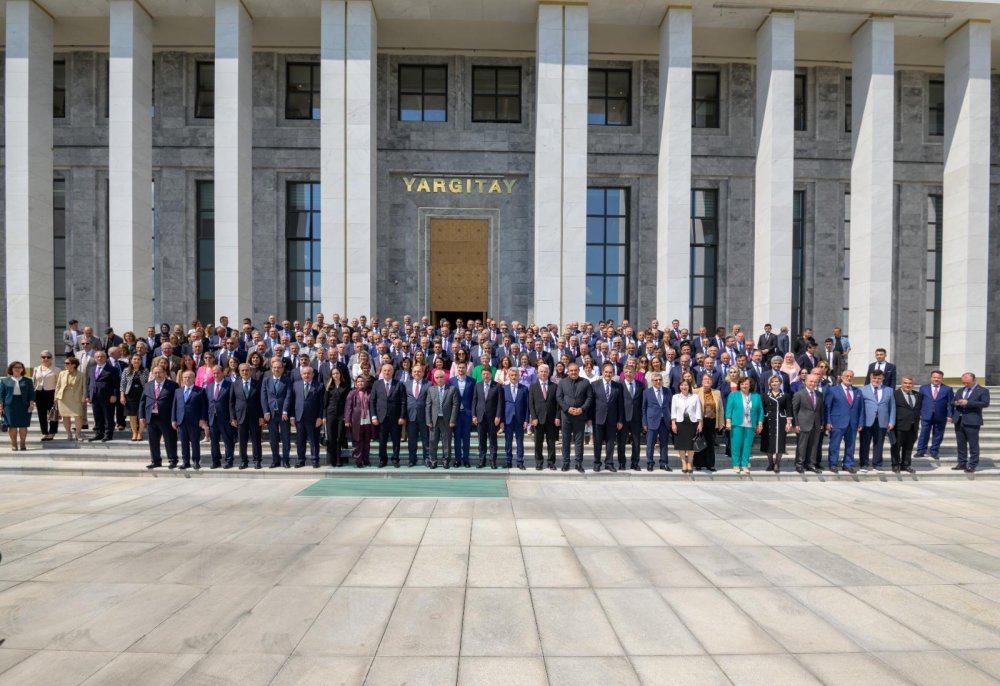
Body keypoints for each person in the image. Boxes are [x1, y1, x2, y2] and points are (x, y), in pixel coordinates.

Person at [139, 365, 179, 469]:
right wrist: (142, 416)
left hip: (166, 418)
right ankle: (155, 461)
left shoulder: (173, 385)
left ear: (165, 373)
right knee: (153, 441)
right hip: (151, 417)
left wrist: (175, 418)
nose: (158, 375)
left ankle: (172, 460)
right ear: (152, 374)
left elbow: (176, 403)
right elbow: (143, 401)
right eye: (155, 373)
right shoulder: (148, 385)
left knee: (170, 440)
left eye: (160, 372)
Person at [825, 370, 863, 474]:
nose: (849, 378)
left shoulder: (857, 391)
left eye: (851, 376)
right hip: (836, 422)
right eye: (847, 376)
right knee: (835, 445)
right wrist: (828, 421)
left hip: (853, 423)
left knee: (851, 445)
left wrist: (860, 422)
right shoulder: (833, 390)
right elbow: (827, 407)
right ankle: (833, 464)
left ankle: (848, 465)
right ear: (841, 377)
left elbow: (861, 408)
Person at [557, 363, 593, 473]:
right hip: (566, 416)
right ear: (568, 371)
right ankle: (565, 463)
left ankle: (578, 463)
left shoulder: (585, 382)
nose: (573, 372)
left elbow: (589, 397)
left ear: (578, 371)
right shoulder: (562, 382)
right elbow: (559, 397)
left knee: (579, 441)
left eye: (575, 370)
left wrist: (582, 409)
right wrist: (567, 408)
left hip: (580, 416)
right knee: (566, 440)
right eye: (571, 370)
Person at [858, 369, 896, 472]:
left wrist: (891, 421)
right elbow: (860, 407)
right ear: (870, 378)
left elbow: (892, 407)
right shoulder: (862, 390)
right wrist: (860, 422)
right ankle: (864, 464)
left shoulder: (889, 390)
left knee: (879, 443)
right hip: (867, 422)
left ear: (883, 379)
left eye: (879, 378)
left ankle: (877, 463)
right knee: (864, 444)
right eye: (874, 378)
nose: (876, 380)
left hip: (882, 421)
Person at [952, 372, 990, 474]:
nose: (965, 384)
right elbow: (952, 401)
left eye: (967, 382)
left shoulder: (983, 390)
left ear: (974, 380)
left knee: (973, 444)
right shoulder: (960, 390)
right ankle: (962, 463)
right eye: (963, 382)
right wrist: (956, 403)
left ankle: (972, 465)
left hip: (972, 421)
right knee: (961, 444)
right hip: (959, 420)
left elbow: (985, 403)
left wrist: (968, 403)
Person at [371, 362, 407, 467]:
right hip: (381, 418)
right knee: (382, 441)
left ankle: (395, 459)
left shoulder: (399, 384)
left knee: (396, 440)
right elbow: (372, 401)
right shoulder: (376, 384)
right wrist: (373, 416)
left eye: (389, 370)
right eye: (385, 370)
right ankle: (383, 459)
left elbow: (403, 402)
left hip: (395, 418)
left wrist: (402, 416)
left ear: (393, 372)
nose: (387, 372)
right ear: (382, 372)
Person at [288, 365, 324, 468]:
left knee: (313, 440)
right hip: (299, 417)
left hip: (313, 418)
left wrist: (320, 417)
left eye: (308, 373)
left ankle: (315, 460)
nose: (306, 375)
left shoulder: (319, 386)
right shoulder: (295, 385)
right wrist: (292, 416)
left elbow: (321, 403)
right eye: (304, 373)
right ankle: (301, 460)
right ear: (301, 375)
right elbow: (292, 402)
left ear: (313, 374)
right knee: (300, 441)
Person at [230, 363, 264, 469]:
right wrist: (233, 418)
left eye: (247, 370)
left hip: (255, 416)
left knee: (256, 440)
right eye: (242, 370)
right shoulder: (235, 384)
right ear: (239, 372)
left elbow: (261, 401)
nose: (245, 372)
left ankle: (257, 460)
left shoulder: (258, 383)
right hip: (240, 417)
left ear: (251, 371)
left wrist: (261, 416)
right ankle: (243, 461)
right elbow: (231, 402)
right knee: (242, 441)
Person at [724, 376, 761, 474]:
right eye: (742, 384)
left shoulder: (756, 396)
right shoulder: (733, 394)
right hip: (737, 423)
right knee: (736, 445)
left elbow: (760, 410)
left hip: (750, 424)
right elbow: (729, 408)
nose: (744, 386)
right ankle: (736, 464)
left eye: (746, 384)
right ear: (739, 385)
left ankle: (744, 464)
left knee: (747, 445)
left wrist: (760, 423)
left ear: (750, 385)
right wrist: (728, 421)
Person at [172, 370, 208, 469]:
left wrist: (202, 419)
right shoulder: (178, 391)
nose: (187, 379)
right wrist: (173, 419)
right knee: (184, 442)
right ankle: (186, 461)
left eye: (189, 377)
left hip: (194, 421)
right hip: (181, 420)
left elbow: (203, 406)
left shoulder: (200, 391)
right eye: (185, 377)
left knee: (195, 442)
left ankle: (196, 461)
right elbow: (175, 406)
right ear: (182, 379)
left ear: (194, 379)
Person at [591, 362, 623, 472]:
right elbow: (591, 404)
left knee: (610, 443)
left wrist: (620, 420)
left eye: (610, 372)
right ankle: (597, 463)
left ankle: (609, 463)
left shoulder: (618, 386)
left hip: (612, 420)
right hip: (598, 418)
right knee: (597, 443)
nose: (608, 374)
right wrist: (589, 418)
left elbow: (620, 405)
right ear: (602, 372)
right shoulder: (594, 385)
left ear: (613, 373)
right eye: (606, 372)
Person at [261, 357, 292, 468]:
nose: (277, 369)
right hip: (271, 414)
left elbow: (288, 396)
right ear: (271, 369)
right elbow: (263, 397)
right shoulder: (266, 380)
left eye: (279, 367)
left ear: (282, 369)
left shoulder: (287, 380)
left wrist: (285, 411)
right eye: (274, 367)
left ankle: (286, 460)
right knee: (273, 439)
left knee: (286, 438)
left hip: (283, 414)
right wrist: (266, 412)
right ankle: (275, 460)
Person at [528, 363, 560, 470]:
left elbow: (558, 404)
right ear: (538, 373)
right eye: (541, 371)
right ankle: (539, 462)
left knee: (551, 443)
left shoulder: (554, 386)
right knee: (538, 443)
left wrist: (557, 417)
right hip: (538, 419)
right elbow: (531, 404)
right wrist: (534, 417)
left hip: (551, 419)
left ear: (548, 373)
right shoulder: (533, 387)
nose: (543, 373)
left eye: (545, 372)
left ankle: (551, 463)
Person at [792, 373, 825, 474]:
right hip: (803, 424)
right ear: (805, 382)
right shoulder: (799, 394)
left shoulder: (819, 394)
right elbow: (794, 410)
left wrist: (821, 423)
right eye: (811, 381)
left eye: (815, 382)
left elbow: (821, 410)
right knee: (802, 446)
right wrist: (796, 424)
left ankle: (811, 464)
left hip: (816, 424)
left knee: (814, 446)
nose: (813, 383)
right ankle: (799, 464)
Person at [916, 370, 953, 459]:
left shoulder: (948, 389)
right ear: (931, 378)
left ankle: (934, 451)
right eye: (934, 377)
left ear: (942, 378)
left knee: (938, 434)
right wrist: (918, 413)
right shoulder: (923, 388)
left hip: (941, 415)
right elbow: (919, 402)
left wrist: (949, 415)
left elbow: (950, 403)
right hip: (926, 415)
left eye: (938, 378)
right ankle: (921, 451)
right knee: (924, 433)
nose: (936, 379)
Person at [426, 368, 459, 469]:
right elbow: (428, 405)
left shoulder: (452, 389)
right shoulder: (431, 389)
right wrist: (428, 420)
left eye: (441, 377)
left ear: (445, 378)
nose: (439, 379)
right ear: (434, 379)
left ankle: (446, 460)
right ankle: (433, 461)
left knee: (447, 441)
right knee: (432, 441)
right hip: (434, 421)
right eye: (437, 377)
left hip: (447, 420)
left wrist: (452, 420)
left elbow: (455, 405)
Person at [472, 366, 504, 468]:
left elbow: (500, 402)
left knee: (493, 440)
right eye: (484, 374)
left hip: (492, 418)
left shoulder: (497, 386)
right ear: (481, 375)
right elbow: (474, 401)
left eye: (487, 374)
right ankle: (482, 460)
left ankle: (493, 461)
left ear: (491, 375)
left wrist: (498, 416)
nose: (485, 376)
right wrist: (473, 415)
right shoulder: (478, 385)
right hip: (480, 417)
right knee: (481, 440)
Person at [205, 365, 236, 469]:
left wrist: (232, 417)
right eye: (214, 373)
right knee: (214, 441)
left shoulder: (230, 385)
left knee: (228, 440)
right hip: (212, 418)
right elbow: (207, 403)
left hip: (225, 418)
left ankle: (229, 460)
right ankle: (216, 460)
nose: (216, 375)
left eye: (218, 373)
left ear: (222, 373)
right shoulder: (209, 386)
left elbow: (232, 403)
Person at [86, 351, 120, 442]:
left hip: (107, 397)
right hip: (94, 396)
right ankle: (99, 434)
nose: (100, 358)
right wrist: (88, 395)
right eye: (97, 357)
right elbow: (89, 383)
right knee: (97, 416)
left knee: (108, 416)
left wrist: (114, 395)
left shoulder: (112, 369)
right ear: (95, 358)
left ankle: (108, 434)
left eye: (102, 356)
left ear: (105, 358)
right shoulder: (92, 369)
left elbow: (116, 384)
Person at [642, 371, 672, 472]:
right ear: (652, 381)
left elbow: (670, 406)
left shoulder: (668, 391)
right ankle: (650, 463)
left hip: (665, 421)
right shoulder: (647, 392)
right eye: (656, 380)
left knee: (664, 444)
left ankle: (664, 463)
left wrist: (671, 420)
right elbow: (643, 408)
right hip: (651, 421)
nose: (658, 382)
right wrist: (644, 422)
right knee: (650, 444)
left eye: (660, 380)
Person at [1, 361, 35, 451]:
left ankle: (23, 444)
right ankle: (14, 444)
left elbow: (31, 393)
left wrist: (31, 404)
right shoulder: (5, 380)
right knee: (12, 425)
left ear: (22, 369)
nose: (17, 369)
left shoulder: (27, 380)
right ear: (11, 369)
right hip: (10, 405)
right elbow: (1, 394)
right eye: (15, 367)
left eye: (19, 367)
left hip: (24, 404)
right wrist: (1, 406)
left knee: (23, 425)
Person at [761, 374, 792, 473]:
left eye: (776, 381)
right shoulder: (765, 395)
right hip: (767, 422)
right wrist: (760, 422)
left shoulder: (785, 395)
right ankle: (770, 463)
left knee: (780, 443)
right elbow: (761, 409)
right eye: (772, 382)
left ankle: (777, 464)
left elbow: (789, 409)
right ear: (769, 384)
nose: (774, 383)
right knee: (768, 443)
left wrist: (788, 423)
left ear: (780, 383)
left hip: (780, 421)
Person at [673, 378, 705, 474]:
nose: (684, 387)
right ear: (679, 386)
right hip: (680, 422)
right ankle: (683, 463)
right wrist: (673, 423)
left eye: (686, 385)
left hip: (692, 422)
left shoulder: (695, 397)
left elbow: (698, 411)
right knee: (681, 445)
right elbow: (673, 411)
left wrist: (700, 423)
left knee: (691, 445)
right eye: (682, 385)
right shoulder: (675, 397)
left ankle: (690, 463)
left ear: (689, 387)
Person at [618, 364, 645, 471]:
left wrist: (643, 420)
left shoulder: (640, 385)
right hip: (623, 419)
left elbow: (642, 403)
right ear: (624, 373)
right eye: (626, 372)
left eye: (630, 372)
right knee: (621, 442)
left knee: (636, 442)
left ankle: (635, 463)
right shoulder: (619, 385)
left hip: (636, 419)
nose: (628, 374)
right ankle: (622, 463)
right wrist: (619, 420)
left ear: (634, 374)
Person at [892, 376, 921, 474]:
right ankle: (895, 465)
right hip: (899, 425)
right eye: (905, 383)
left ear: (913, 385)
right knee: (896, 446)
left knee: (909, 447)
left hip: (913, 426)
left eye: (910, 383)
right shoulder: (895, 394)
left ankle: (906, 465)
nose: (908, 385)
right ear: (901, 384)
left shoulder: (918, 395)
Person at [448, 361, 475, 467]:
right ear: (457, 368)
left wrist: (473, 414)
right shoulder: (451, 381)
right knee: (457, 437)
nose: (461, 369)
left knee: (466, 437)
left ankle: (466, 459)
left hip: (467, 413)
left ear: (466, 368)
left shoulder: (472, 381)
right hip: (456, 414)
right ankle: (458, 459)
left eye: (463, 367)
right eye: (459, 368)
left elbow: (474, 399)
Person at [501, 367, 529, 469]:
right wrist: (502, 421)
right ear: (509, 376)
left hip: (520, 419)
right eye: (512, 375)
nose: (514, 377)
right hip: (507, 419)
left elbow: (527, 406)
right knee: (508, 441)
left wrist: (526, 420)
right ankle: (508, 460)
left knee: (519, 441)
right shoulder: (504, 388)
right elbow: (501, 406)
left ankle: (520, 461)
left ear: (519, 376)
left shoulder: (524, 389)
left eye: (515, 375)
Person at [403, 364, 430, 467]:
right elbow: (404, 401)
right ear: (412, 373)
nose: (417, 373)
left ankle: (427, 459)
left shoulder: (429, 384)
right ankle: (412, 459)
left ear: (423, 373)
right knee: (412, 440)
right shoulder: (406, 384)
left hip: (424, 417)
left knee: (425, 440)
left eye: (419, 371)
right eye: (415, 371)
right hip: (410, 416)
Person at [344, 375, 374, 468]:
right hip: (356, 421)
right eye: (358, 381)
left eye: (362, 381)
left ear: (366, 383)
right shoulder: (352, 393)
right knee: (357, 442)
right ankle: (358, 461)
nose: (360, 383)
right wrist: (347, 420)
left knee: (366, 442)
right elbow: (348, 407)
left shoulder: (369, 392)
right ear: (356, 383)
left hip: (368, 420)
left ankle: (366, 460)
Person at [695, 373, 721, 472]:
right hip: (700, 421)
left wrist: (721, 422)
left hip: (712, 421)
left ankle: (710, 464)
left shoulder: (717, 392)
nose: (707, 381)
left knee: (710, 443)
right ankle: (698, 463)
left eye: (709, 379)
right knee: (700, 442)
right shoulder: (696, 391)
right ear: (701, 381)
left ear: (712, 382)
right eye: (705, 379)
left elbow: (721, 409)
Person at [323, 366, 350, 467]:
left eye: (337, 373)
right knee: (331, 438)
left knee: (339, 438)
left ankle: (339, 459)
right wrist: (324, 416)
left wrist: (347, 416)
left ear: (340, 374)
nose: (335, 375)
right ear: (331, 376)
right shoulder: (328, 387)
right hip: (330, 414)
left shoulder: (346, 386)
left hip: (342, 415)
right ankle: (332, 459)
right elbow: (325, 403)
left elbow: (348, 403)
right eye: (333, 374)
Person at [55, 357, 86, 441]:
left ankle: (78, 434)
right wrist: (56, 397)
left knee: (78, 416)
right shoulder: (62, 373)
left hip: (76, 398)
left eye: (67, 363)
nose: (65, 365)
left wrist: (84, 397)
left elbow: (84, 387)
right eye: (65, 363)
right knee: (65, 417)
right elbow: (58, 386)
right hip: (63, 398)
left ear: (74, 365)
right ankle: (69, 434)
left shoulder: (81, 374)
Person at [120, 354, 149, 442]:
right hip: (130, 395)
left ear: (141, 361)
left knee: (141, 415)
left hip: (142, 395)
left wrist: (138, 372)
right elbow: (123, 383)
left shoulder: (145, 370)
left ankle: (140, 433)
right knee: (132, 415)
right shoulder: (126, 370)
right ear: (131, 360)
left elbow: (146, 382)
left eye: (138, 359)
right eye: (134, 359)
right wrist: (122, 395)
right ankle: (134, 432)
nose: (136, 361)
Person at [32, 351, 59, 441]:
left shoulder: (56, 369)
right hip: (39, 393)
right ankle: (44, 432)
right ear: (41, 358)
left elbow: (58, 383)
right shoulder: (36, 369)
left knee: (53, 413)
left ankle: (52, 432)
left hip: (52, 393)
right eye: (43, 357)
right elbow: (34, 382)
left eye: (48, 357)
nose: (46, 359)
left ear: (51, 358)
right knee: (41, 414)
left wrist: (57, 396)